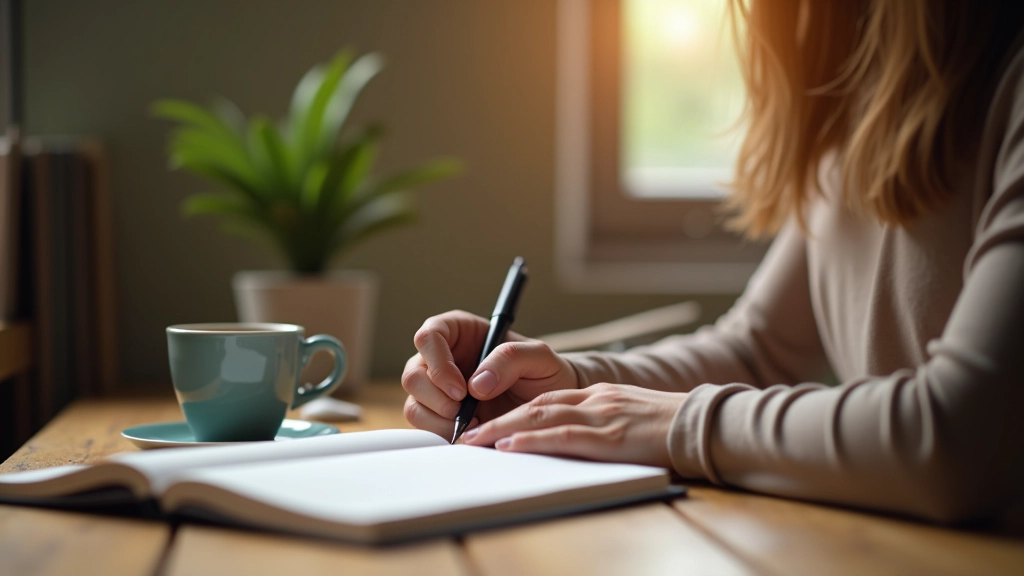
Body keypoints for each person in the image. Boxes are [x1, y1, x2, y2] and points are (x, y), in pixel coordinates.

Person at [402, 0, 1024, 525]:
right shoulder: (857, 92)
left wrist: (675, 424)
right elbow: (758, 352)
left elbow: (960, 440)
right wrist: (562, 385)